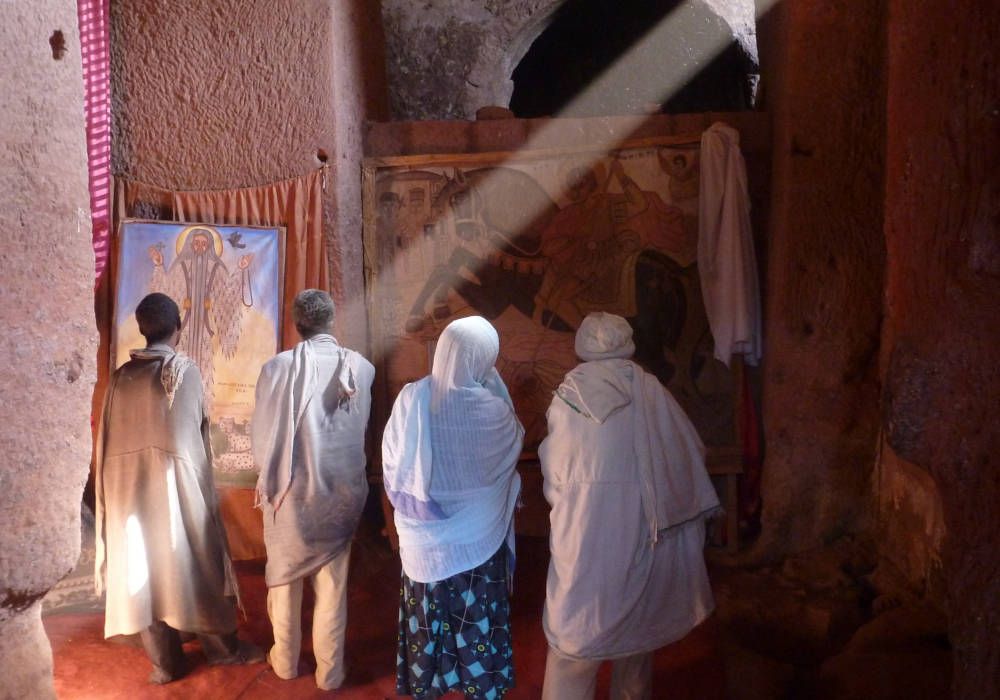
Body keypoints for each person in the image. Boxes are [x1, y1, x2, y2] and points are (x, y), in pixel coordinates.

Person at [538, 312, 721, 700]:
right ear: (627, 343)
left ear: (582, 346)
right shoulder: (652, 390)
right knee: (636, 640)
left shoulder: (571, 395)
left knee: (574, 645)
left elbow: (555, 473)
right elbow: (690, 452)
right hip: (643, 530)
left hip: (587, 533)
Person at [94, 292, 262, 684]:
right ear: (179, 328)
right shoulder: (183, 372)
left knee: (144, 569)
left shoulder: (119, 378)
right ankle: (223, 650)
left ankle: (165, 663)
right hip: (175, 491)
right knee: (197, 565)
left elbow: (106, 444)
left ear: (142, 329)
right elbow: (195, 439)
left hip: (127, 493)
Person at [383, 316, 524, 699]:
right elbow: (510, 454)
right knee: (476, 626)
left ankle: (429, 684)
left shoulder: (412, 399)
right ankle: (479, 686)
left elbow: (393, 464)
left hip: (423, 549)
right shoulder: (494, 412)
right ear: (483, 357)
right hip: (477, 546)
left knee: (427, 626)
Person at [251, 289, 375, 690]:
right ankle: (330, 673)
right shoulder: (363, 368)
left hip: (290, 497)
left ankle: (285, 663)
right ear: (332, 321)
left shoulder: (275, 369)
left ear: (296, 323)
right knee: (333, 589)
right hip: (342, 496)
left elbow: (262, 439)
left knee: (284, 583)